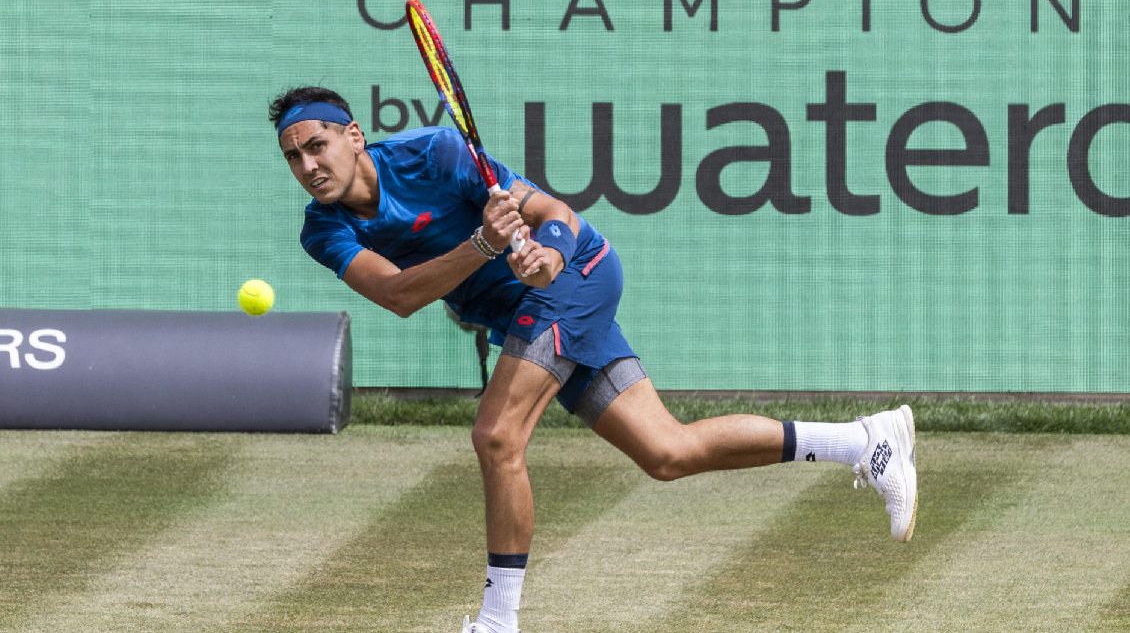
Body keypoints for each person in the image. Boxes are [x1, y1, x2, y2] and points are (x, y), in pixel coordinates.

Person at [269, 86, 918, 633]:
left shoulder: (433, 154)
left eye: (316, 146)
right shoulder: (322, 228)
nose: (308, 166)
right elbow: (397, 293)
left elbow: (556, 215)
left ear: (353, 135)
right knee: (668, 453)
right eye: (294, 157)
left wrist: (546, 254)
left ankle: (498, 621)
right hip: (525, 312)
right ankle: (864, 441)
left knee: (497, 435)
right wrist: (484, 245)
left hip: (576, 276)